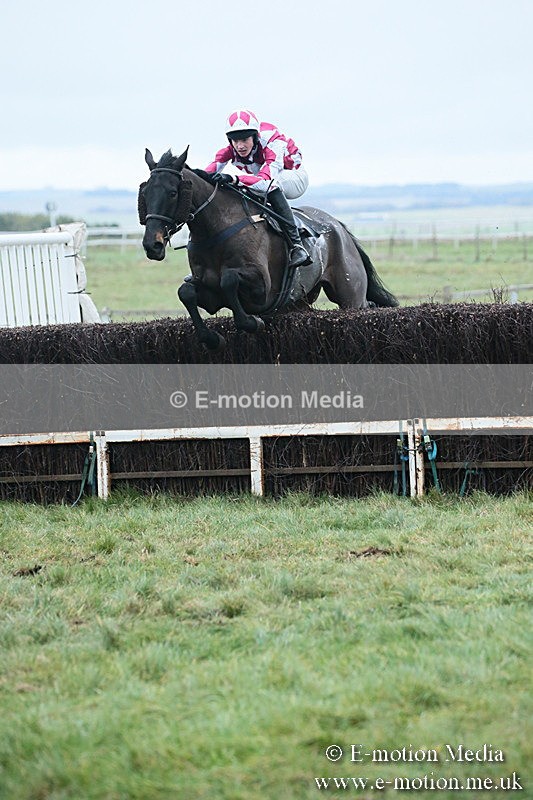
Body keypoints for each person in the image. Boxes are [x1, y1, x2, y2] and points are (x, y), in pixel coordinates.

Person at [205, 109, 311, 269]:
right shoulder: (229, 150)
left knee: (269, 186)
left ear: (255, 136)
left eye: (244, 140)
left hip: (293, 177)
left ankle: (297, 245)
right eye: (235, 141)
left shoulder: (273, 143)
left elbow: (265, 181)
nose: (239, 146)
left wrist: (234, 178)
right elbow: (206, 174)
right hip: (264, 178)